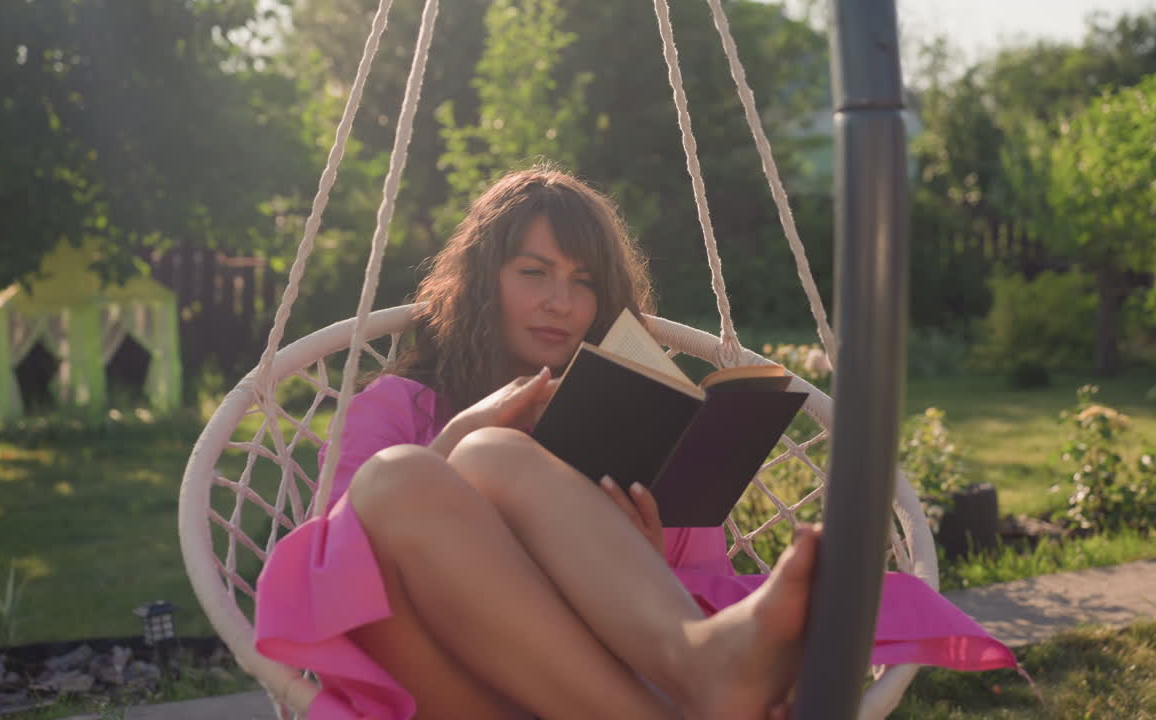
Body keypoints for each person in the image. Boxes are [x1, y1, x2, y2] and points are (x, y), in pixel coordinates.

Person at [255, 167, 1014, 720]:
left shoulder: (634, 416)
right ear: (484, 283)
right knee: (421, 471)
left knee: (487, 465)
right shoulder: (395, 406)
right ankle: (696, 681)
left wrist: (637, 557)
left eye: (582, 281)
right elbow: (333, 563)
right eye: (534, 272)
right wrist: (455, 439)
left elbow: (701, 576)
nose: (560, 301)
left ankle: (694, 670)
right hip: (432, 674)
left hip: (600, 682)